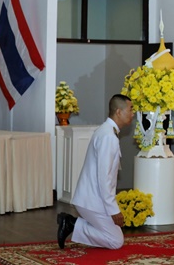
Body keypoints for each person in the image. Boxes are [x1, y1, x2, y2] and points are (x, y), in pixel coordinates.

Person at [57, 94, 135, 250]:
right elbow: (104, 177)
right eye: (131, 109)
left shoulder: (107, 131)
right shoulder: (108, 137)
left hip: (93, 198)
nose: (133, 114)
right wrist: (113, 210)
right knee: (116, 241)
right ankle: (72, 224)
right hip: (92, 200)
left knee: (115, 234)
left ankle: (72, 223)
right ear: (119, 112)